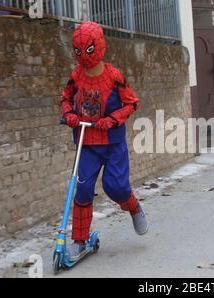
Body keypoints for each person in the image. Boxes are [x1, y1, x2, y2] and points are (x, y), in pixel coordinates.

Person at [60, 21, 148, 261]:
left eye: (88, 50)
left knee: (116, 187)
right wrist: (68, 114)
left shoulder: (114, 76)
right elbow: (65, 98)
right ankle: (79, 240)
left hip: (112, 144)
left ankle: (133, 207)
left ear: (98, 47)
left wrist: (112, 119)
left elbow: (131, 103)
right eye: (78, 51)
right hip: (86, 143)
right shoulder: (76, 76)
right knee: (83, 188)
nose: (83, 57)